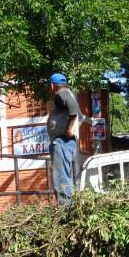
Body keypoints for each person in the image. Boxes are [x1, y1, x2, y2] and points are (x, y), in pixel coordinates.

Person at [47, 73, 80, 204]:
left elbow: (73, 109)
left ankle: (65, 208)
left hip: (62, 141)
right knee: (65, 175)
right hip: (64, 142)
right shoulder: (67, 92)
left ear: (52, 85)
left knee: (60, 176)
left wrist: (68, 129)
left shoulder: (63, 93)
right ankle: (70, 206)